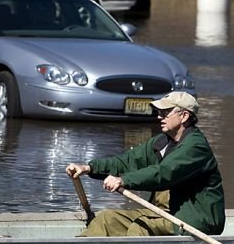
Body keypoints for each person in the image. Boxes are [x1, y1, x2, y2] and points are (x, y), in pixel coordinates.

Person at [65, 92, 225, 236]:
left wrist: (123, 180)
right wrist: (89, 168)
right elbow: (127, 161)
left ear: (184, 116)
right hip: (163, 213)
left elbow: (164, 173)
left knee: (141, 228)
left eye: (165, 113)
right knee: (107, 219)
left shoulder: (196, 147)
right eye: (159, 112)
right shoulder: (161, 142)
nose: (159, 117)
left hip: (194, 221)